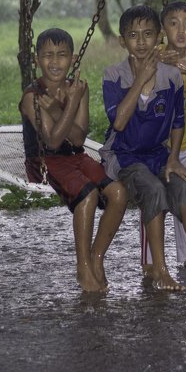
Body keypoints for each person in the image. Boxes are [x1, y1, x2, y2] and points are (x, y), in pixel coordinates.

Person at [100, 4, 186, 290]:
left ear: (157, 38)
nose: (141, 42)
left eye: (147, 35)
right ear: (122, 41)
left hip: (159, 154)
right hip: (124, 155)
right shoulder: (113, 75)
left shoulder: (173, 75)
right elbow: (118, 123)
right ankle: (159, 269)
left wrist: (173, 158)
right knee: (153, 190)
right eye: (133, 35)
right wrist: (141, 77)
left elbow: (178, 120)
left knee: (184, 186)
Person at [20, 28, 127, 293]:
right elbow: (53, 141)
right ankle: (82, 268)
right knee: (88, 195)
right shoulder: (32, 96)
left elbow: (78, 139)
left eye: (61, 55)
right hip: (45, 162)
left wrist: (61, 107)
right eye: (47, 56)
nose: (54, 62)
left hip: (75, 157)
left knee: (118, 193)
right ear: (37, 60)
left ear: (73, 58)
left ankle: (96, 257)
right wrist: (67, 106)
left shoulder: (78, 88)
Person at [137, 1, 186, 273]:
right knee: (153, 200)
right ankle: (150, 261)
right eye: (173, 23)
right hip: (153, 144)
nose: (181, 30)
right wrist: (159, 64)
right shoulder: (153, 55)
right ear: (163, 30)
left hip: (183, 144)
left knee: (185, 198)